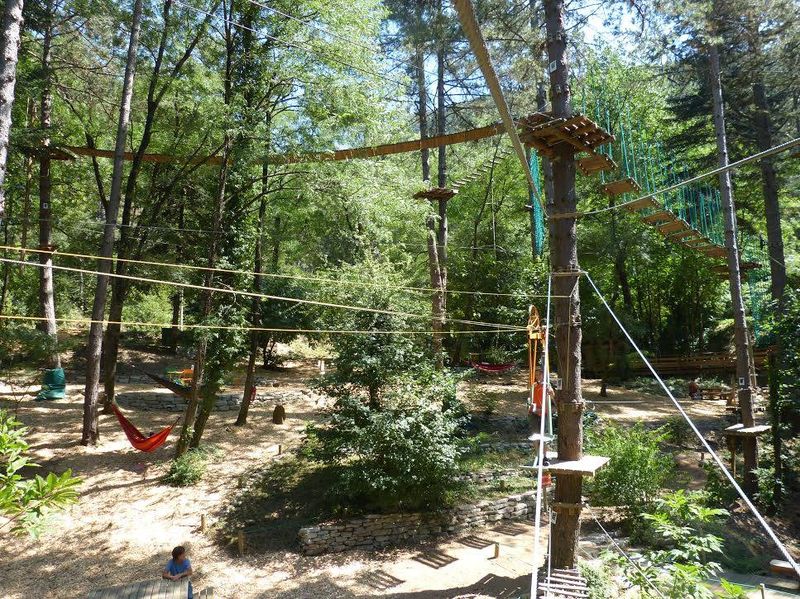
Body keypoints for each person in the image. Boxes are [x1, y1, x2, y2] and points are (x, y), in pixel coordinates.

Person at [528, 370, 555, 435]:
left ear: (543, 375)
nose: (538, 376)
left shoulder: (547, 385)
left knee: (544, 433)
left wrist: (551, 393)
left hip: (544, 412)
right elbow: (531, 399)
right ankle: (536, 442)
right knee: (535, 434)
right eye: (536, 375)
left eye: (539, 374)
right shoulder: (534, 385)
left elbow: (552, 397)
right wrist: (532, 408)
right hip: (534, 412)